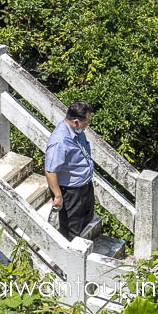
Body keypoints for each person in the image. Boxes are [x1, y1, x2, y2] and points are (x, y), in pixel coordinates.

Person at [44, 101, 95, 241]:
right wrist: (58, 196)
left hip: (84, 186)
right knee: (72, 229)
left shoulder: (76, 132)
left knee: (88, 217)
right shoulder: (60, 140)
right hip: (71, 192)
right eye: (87, 123)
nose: (87, 126)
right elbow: (50, 170)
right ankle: (70, 257)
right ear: (76, 122)